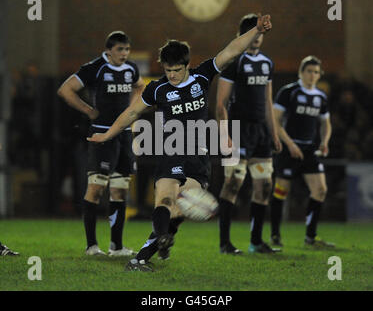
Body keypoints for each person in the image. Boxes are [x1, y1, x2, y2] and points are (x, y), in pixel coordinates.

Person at [88, 14, 273, 271]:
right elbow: (131, 113)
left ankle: (160, 240)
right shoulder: (157, 89)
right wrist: (107, 134)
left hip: (198, 155)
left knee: (181, 208)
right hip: (171, 151)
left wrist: (255, 31)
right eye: (167, 70)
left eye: (176, 70)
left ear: (187, 65)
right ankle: (143, 256)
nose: (172, 75)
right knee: (164, 200)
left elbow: (231, 50)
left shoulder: (202, 76)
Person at [57, 31, 145, 256]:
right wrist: (88, 110)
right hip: (101, 135)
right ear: (108, 50)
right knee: (96, 189)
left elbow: (140, 86)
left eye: (127, 49)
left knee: (120, 190)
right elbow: (65, 90)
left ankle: (116, 246)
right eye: (120, 49)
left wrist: (132, 110)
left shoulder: (131, 69)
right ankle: (91, 245)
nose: (124, 54)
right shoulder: (94, 68)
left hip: (124, 135)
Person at [216, 14, 282, 254]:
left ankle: (256, 241)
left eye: (260, 33)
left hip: (261, 133)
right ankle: (225, 243)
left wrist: (273, 133)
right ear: (243, 36)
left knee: (264, 187)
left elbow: (267, 101)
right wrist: (225, 134)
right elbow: (220, 104)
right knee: (233, 183)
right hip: (238, 130)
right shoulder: (234, 61)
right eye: (252, 33)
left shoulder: (267, 63)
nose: (257, 38)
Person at [270, 55, 334, 247]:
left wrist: (324, 141)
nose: (312, 75)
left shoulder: (320, 97)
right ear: (301, 72)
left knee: (320, 190)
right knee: (281, 191)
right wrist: (290, 144)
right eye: (309, 71)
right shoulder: (288, 92)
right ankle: (275, 234)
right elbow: (276, 121)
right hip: (288, 149)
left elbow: (326, 123)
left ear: (319, 74)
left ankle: (310, 237)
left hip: (309, 150)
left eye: (316, 72)